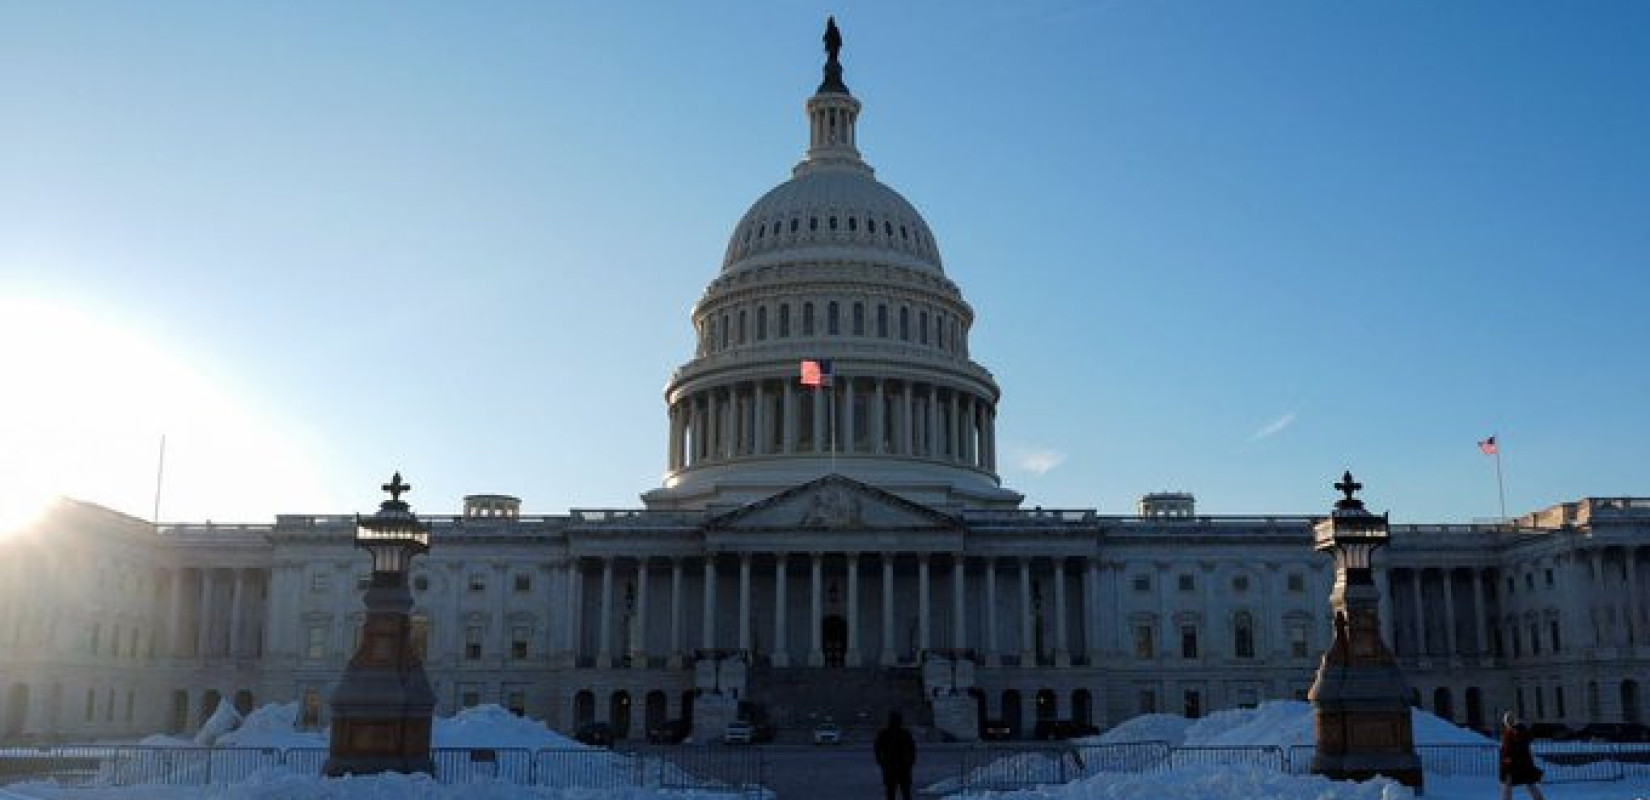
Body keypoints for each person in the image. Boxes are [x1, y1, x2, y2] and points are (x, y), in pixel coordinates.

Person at [1499, 711, 1546, 800]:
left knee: (1529, 783)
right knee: (1508, 785)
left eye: (1510, 719)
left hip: (1519, 763)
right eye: (1507, 720)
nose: (1508, 722)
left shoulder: (1518, 730)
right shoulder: (1508, 731)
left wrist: (1510, 757)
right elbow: (1507, 747)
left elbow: (1519, 746)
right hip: (1511, 764)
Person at [874, 710, 917, 800]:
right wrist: (911, 762)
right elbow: (912, 749)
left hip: (891, 766)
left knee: (891, 792)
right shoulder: (905, 733)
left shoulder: (884, 733)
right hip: (902, 766)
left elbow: (877, 749)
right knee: (905, 792)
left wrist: (881, 762)